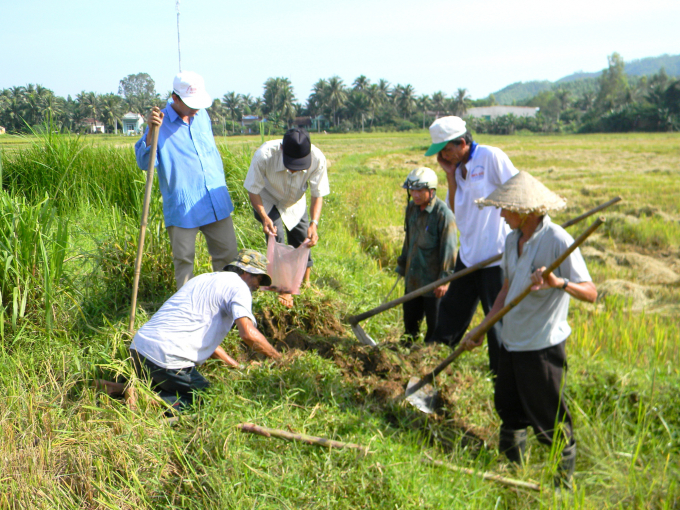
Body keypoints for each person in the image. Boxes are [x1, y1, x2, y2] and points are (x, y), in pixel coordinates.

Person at [460, 171, 597, 489]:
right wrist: (483, 327)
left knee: (550, 421)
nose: (501, 213)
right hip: (510, 342)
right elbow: (506, 290)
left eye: (506, 208)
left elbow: (590, 292)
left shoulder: (558, 240)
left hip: (542, 347)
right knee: (509, 411)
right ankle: (512, 475)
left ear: (525, 212)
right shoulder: (511, 240)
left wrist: (556, 282)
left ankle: (562, 488)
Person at [107, 249, 281, 411]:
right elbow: (248, 334)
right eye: (259, 279)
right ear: (246, 273)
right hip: (166, 358)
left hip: (139, 349)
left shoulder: (204, 279)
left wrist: (235, 366)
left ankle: (119, 388)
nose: (258, 287)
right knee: (206, 399)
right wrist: (279, 358)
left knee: (166, 382)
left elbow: (207, 342)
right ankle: (144, 398)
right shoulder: (239, 287)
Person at [425, 116, 518, 375]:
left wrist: (526, 238)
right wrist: (451, 177)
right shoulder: (457, 169)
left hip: (495, 259)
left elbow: (518, 189)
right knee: (451, 313)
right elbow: (455, 211)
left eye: (446, 150)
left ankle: (501, 377)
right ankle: (430, 362)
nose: (443, 155)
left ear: (462, 143)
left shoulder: (490, 157)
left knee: (496, 322)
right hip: (468, 256)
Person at [135, 71, 238, 290]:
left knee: (228, 257)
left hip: (214, 199)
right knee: (184, 262)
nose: (196, 108)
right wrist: (152, 133)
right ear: (175, 98)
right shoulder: (159, 123)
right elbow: (144, 162)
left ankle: (225, 306)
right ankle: (185, 314)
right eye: (191, 104)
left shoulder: (203, 116)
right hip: (183, 205)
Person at [244, 128, 330, 307]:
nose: (293, 169)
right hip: (267, 199)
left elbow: (317, 194)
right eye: (291, 163)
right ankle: (283, 289)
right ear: (282, 149)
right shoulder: (264, 155)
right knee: (277, 238)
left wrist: (314, 223)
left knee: (303, 238)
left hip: (295, 201)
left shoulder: (318, 158)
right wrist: (264, 217)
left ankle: (304, 283)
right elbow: (253, 190)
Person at [396, 167, 457, 344]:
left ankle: (429, 357)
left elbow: (450, 249)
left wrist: (444, 279)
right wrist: (402, 266)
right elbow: (408, 240)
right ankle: (407, 350)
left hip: (433, 283)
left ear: (431, 191)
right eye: (412, 190)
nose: (415, 195)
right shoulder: (411, 209)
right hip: (413, 278)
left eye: (419, 190)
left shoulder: (443, 215)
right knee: (410, 324)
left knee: (434, 327)